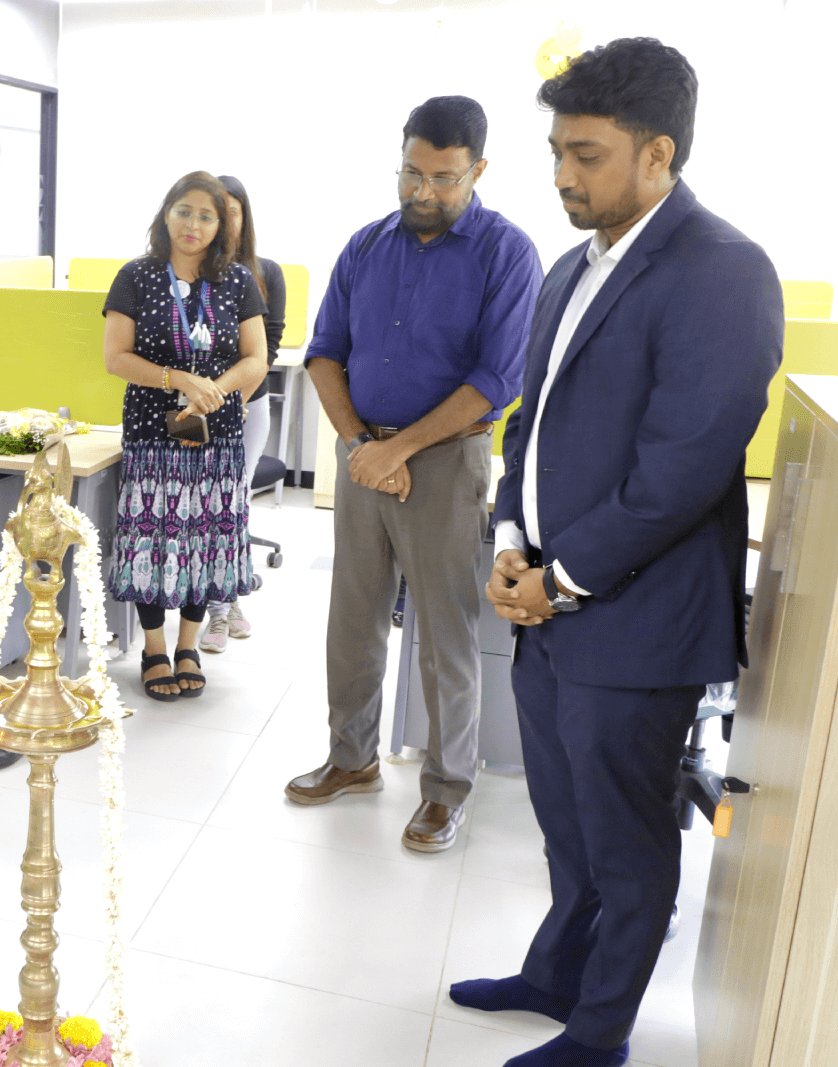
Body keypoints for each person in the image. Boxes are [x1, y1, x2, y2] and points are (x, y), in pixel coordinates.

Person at [449, 39, 781, 1067]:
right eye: (555, 150)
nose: (560, 175)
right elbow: (527, 425)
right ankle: (557, 969)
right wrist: (511, 541)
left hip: (631, 622)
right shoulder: (570, 267)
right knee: (564, 822)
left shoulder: (722, 271)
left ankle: (599, 1032)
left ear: (657, 153)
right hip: (545, 602)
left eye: (585, 154)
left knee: (629, 844)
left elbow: (679, 469)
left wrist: (562, 576)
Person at [285, 96, 542, 853]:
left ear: (478, 171)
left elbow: (497, 376)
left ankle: (446, 788)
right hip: (364, 452)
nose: (422, 191)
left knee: (444, 631)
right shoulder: (366, 246)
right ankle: (351, 757)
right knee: (353, 618)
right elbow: (325, 351)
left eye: (442, 177)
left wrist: (398, 451)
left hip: (444, 458)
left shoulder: (507, 252)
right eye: (410, 172)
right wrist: (364, 443)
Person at [102, 171, 269, 701]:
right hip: (152, 428)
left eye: (206, 215)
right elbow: (116, 358)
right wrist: (180, 380)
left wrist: (212, 390)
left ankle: (188, 645)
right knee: (150, 536)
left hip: (216, 431)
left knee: (204, 537)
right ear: (165, 214)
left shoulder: (238, 281)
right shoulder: (136, 276)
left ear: (221, 226)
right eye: (184, 211)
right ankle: (153, 647)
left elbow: (257, 359)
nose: (193, 224)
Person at [199, 174, 286, 654]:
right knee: (207, 506)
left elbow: (267, 348)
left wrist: (231, 403)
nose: (223, 220)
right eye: (215, 210)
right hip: (196, 407)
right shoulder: (190, 272)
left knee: (231, 503)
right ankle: (220, 606)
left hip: (246, 407)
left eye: (232, 212)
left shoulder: (264, 272)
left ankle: (223, 604)